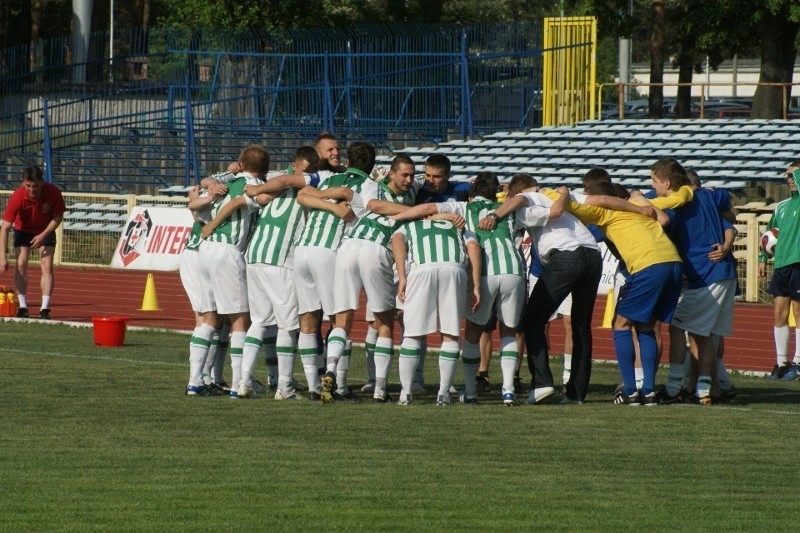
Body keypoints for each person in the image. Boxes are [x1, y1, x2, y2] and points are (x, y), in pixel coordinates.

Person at [551, 160, 694, 405]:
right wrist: (690, 190)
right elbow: (676, 199)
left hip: (648, 265)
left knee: (621, 325)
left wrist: (560, 191)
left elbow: (570, 206)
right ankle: (648, 390)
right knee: (646, 327)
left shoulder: (603, 211)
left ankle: (629, 390)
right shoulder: (640, 202)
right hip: (673, 262)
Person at [392, 171, 526, 405]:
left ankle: (470, 391)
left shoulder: (463, 208)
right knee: (508, 331)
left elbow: (427, 209)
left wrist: (400, 216)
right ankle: (508, 390)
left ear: (472, 194)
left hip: (485, 273)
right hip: (514, 270)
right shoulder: (508, 208)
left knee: (471, 333)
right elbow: (524, 198)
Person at [479, 185, 603, 405]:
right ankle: (576, 393)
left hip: (567, 256)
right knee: (581, 326)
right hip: (593, 254)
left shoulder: (526, 200)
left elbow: (519, 200)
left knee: (532, 321)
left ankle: (542, 383)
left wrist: (494, 214)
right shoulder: (553, 196)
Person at [322, 155, 422, 402]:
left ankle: (331, 370)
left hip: (348, 248)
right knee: (385, 319)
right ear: (390, 173)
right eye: (404, 175)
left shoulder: (408, 190)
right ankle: (379, 389)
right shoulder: (372, 187)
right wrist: (419, 211)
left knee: (342, 318)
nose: (409, 180)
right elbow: (375, 206)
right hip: (375, 248)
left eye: (411, 175)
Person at [293, 142, 374, 402]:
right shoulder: (371, 186)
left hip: (302, 250)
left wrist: (328, 202)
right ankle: (338, 384)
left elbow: (302, 195)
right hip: (328, 252)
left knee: (308, 320)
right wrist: (337, 206)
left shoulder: (330, 175)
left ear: (348, 161)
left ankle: (313, 388)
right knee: (340, 320)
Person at [657, 167, 738, 404]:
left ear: (671, 185)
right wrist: (727, 242)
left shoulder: (677, 206)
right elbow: (729, 218)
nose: (654, 187)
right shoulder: (711, 198)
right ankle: (706, 389)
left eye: (655, 181)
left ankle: (674, 387)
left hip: (706, 274)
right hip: (725, 273)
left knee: (676, 326)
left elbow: (663, 221)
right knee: (705, 335)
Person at [197, 145, 269, 399]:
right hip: (227, 250)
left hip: (205, 251)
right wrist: (215, 224)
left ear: (240, 162)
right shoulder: (256, 186)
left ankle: (196, 381)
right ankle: (239, 383)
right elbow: (240, 202)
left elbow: (196, 204)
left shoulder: (228, 182)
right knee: (240, 320)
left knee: (211, 317)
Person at [391, 216, 482, 405]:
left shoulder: (411, 224)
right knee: (450, 334)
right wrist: (475, 285)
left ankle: (405, 394)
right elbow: (473, 248)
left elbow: (397, 240)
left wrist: (402, 276)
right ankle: (443, 394)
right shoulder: (458, 225)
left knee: (413, 334)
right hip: (454, 269)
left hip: (422, 268)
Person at [0, 165, 66, 320]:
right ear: (23, 183)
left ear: (42, 182)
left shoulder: (53, 192)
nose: (31, 190)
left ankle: (44, 309)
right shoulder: (17, 196)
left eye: (35, 186)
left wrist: (43, 235)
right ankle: (23, 306)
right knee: (21, 263)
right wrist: (2, 258)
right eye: (28, 186)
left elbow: (58, 216)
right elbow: (5, 228)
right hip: (23, 229)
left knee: (46, 265)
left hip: (45, 229)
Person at [759, 160, 800, 381]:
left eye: (794, 175)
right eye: (787, 176)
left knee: (798, 313)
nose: (789, 179)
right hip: (782, 265)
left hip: (799, 263)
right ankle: (782, 363)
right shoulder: (781, 206)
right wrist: (762, 257)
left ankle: (799, 362)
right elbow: (769, 234)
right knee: (778, 314)